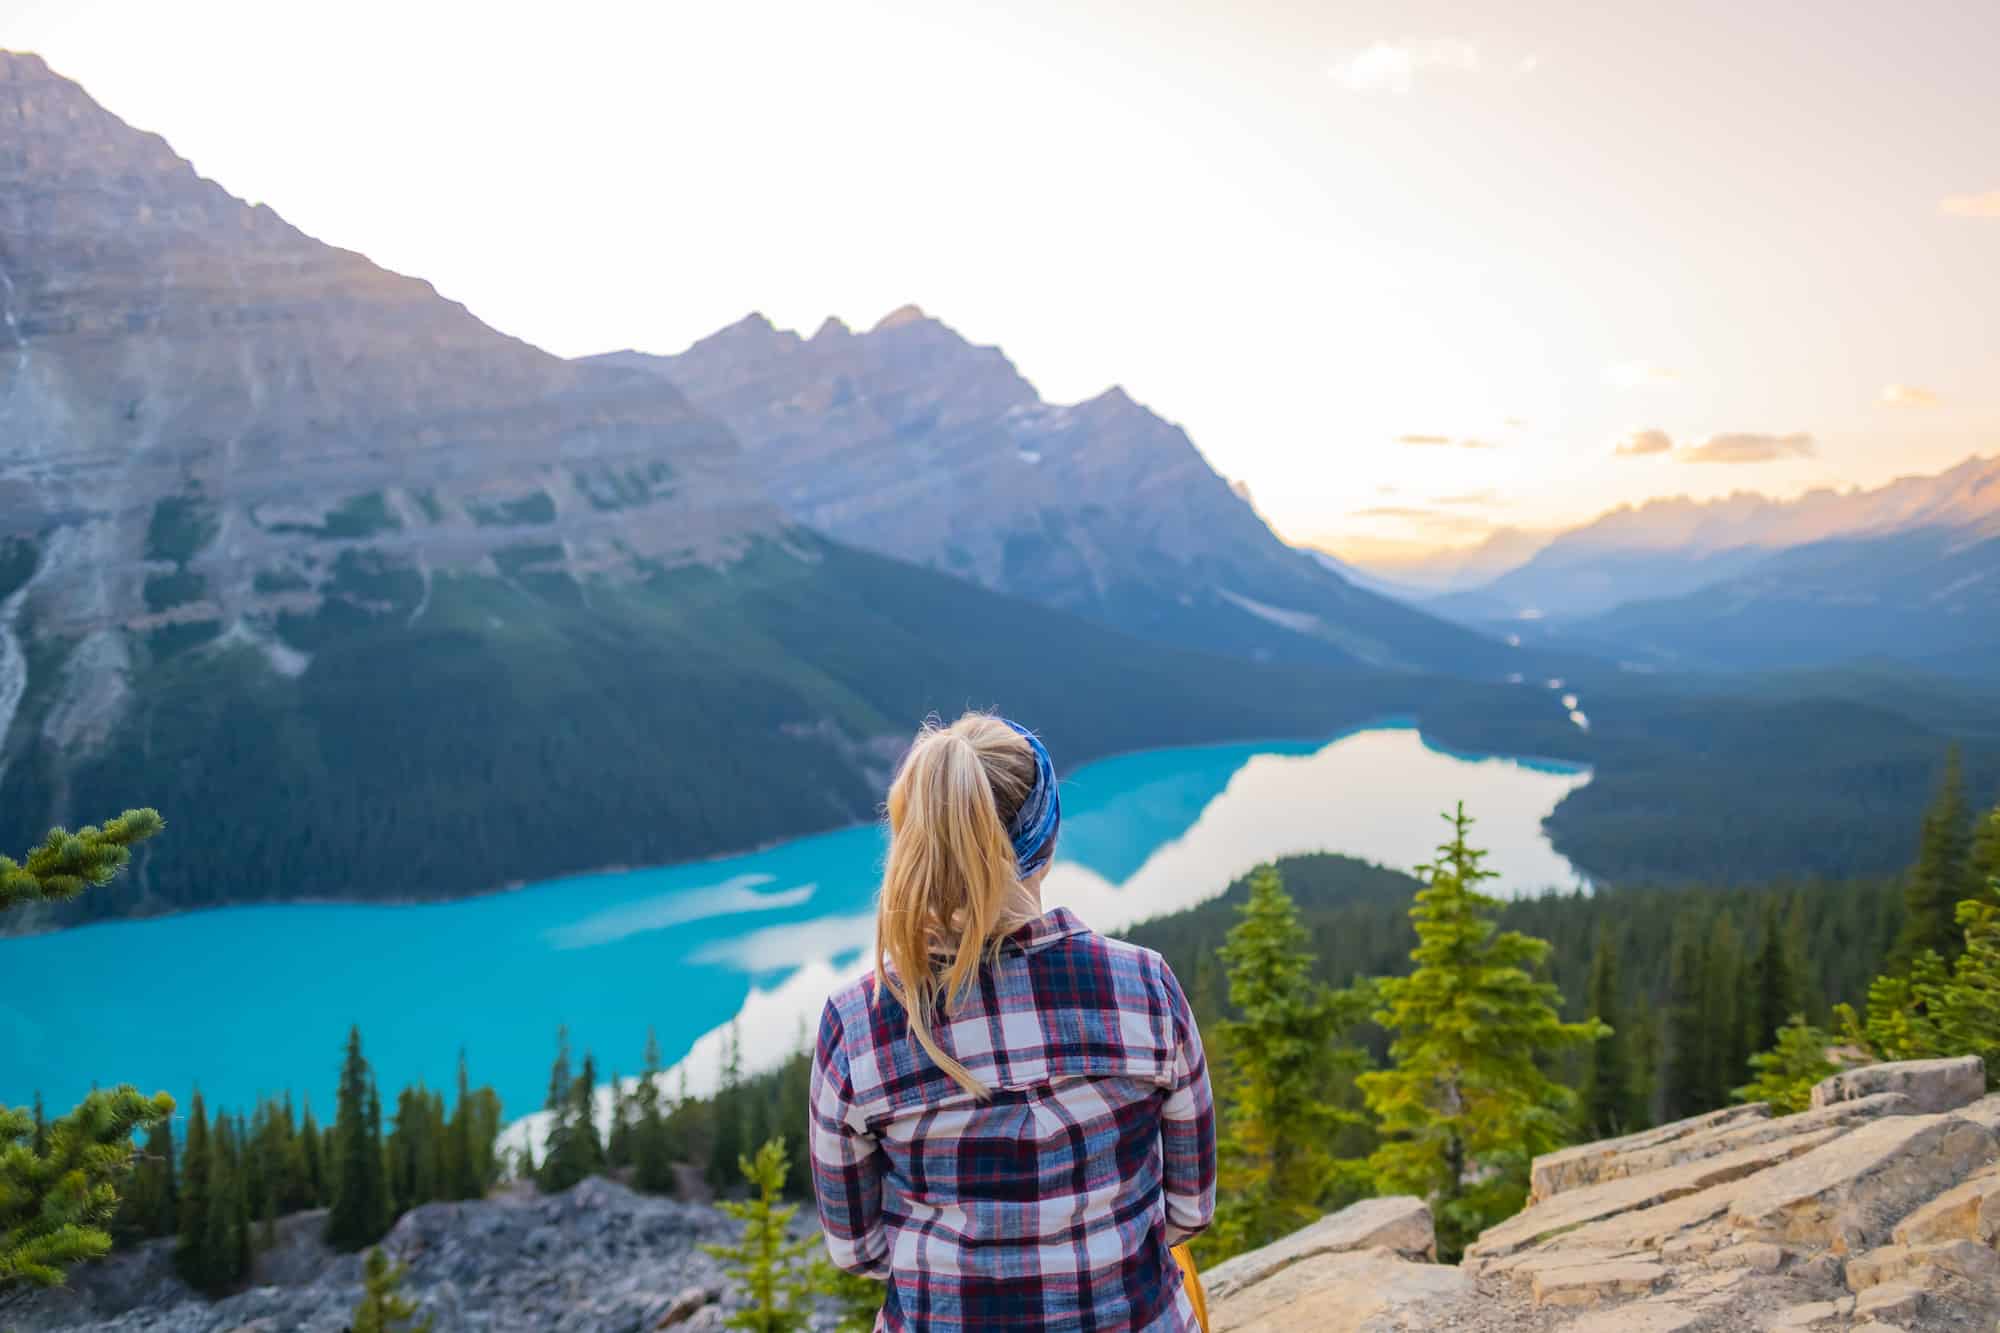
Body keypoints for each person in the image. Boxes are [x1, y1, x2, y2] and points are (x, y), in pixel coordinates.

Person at [809, 712, 1216, 1332]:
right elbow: (1188, 1209)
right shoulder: (1146, 987)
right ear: (1046, 839)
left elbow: (857, 1250)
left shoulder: (856, 1024)